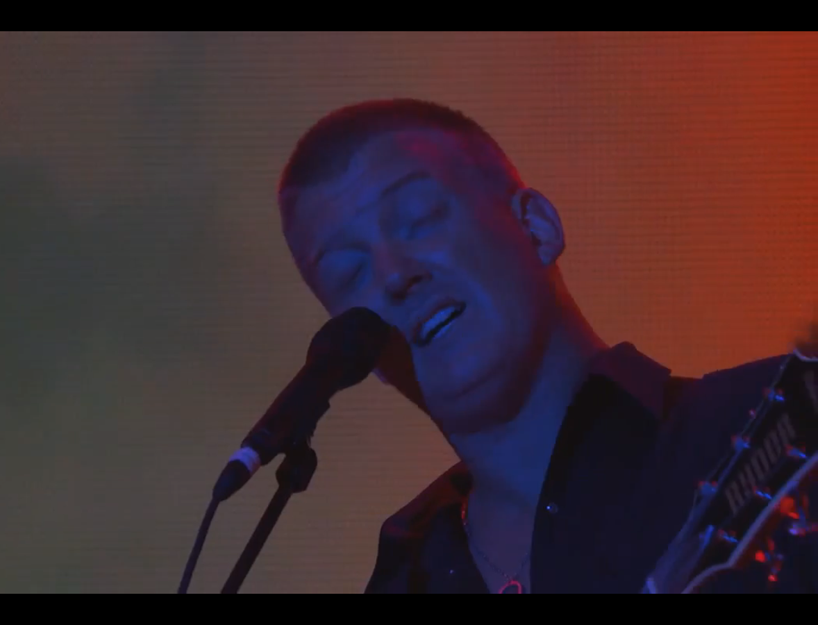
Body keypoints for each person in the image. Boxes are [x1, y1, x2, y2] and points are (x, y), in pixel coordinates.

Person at [276, 98, 818, 593]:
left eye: (418, 219)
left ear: (535, 228)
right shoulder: (407, 576)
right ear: (363, 351)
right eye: (350, 274)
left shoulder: (772, 422)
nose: (394, 275)